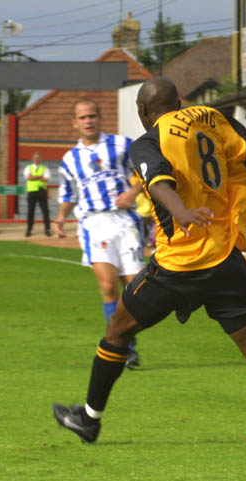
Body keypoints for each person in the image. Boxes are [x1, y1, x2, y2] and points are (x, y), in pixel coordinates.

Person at [51, 77, 246, 450]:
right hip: (225, 259)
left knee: (117, 330)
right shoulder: (214, 117)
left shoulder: (149, 141)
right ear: (179, 101)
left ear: (144, 111)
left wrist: (181, 210)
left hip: (177, 264)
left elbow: (160, 181)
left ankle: (89, 419)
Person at [52, 99, 145, 369]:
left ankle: (125, 337)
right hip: (94, 223)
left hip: (126, 222)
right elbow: (68, 194)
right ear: (75, 123)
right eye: (82, 117)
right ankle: (122, 347)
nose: (88, 121)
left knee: (137, 289)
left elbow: (145, 171)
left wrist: (133, 191)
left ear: (100, 117)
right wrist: (60, 216)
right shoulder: (70, 159)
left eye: (92, 115)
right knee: (107, 286)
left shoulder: (121, 145)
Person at [23, 152, 52, 237]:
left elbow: (45, 179)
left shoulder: (45, 168)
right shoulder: (28, 168)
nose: (37, 160)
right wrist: (39, 176)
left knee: (45, 211)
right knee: (30, 211)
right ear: (32, 159)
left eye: (38, 158)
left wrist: (34, 177)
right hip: (31, 191)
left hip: (42, 191)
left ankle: (47, 229)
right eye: (35, 158)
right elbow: (28, 178)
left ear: (41, 159)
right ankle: (29, 229)